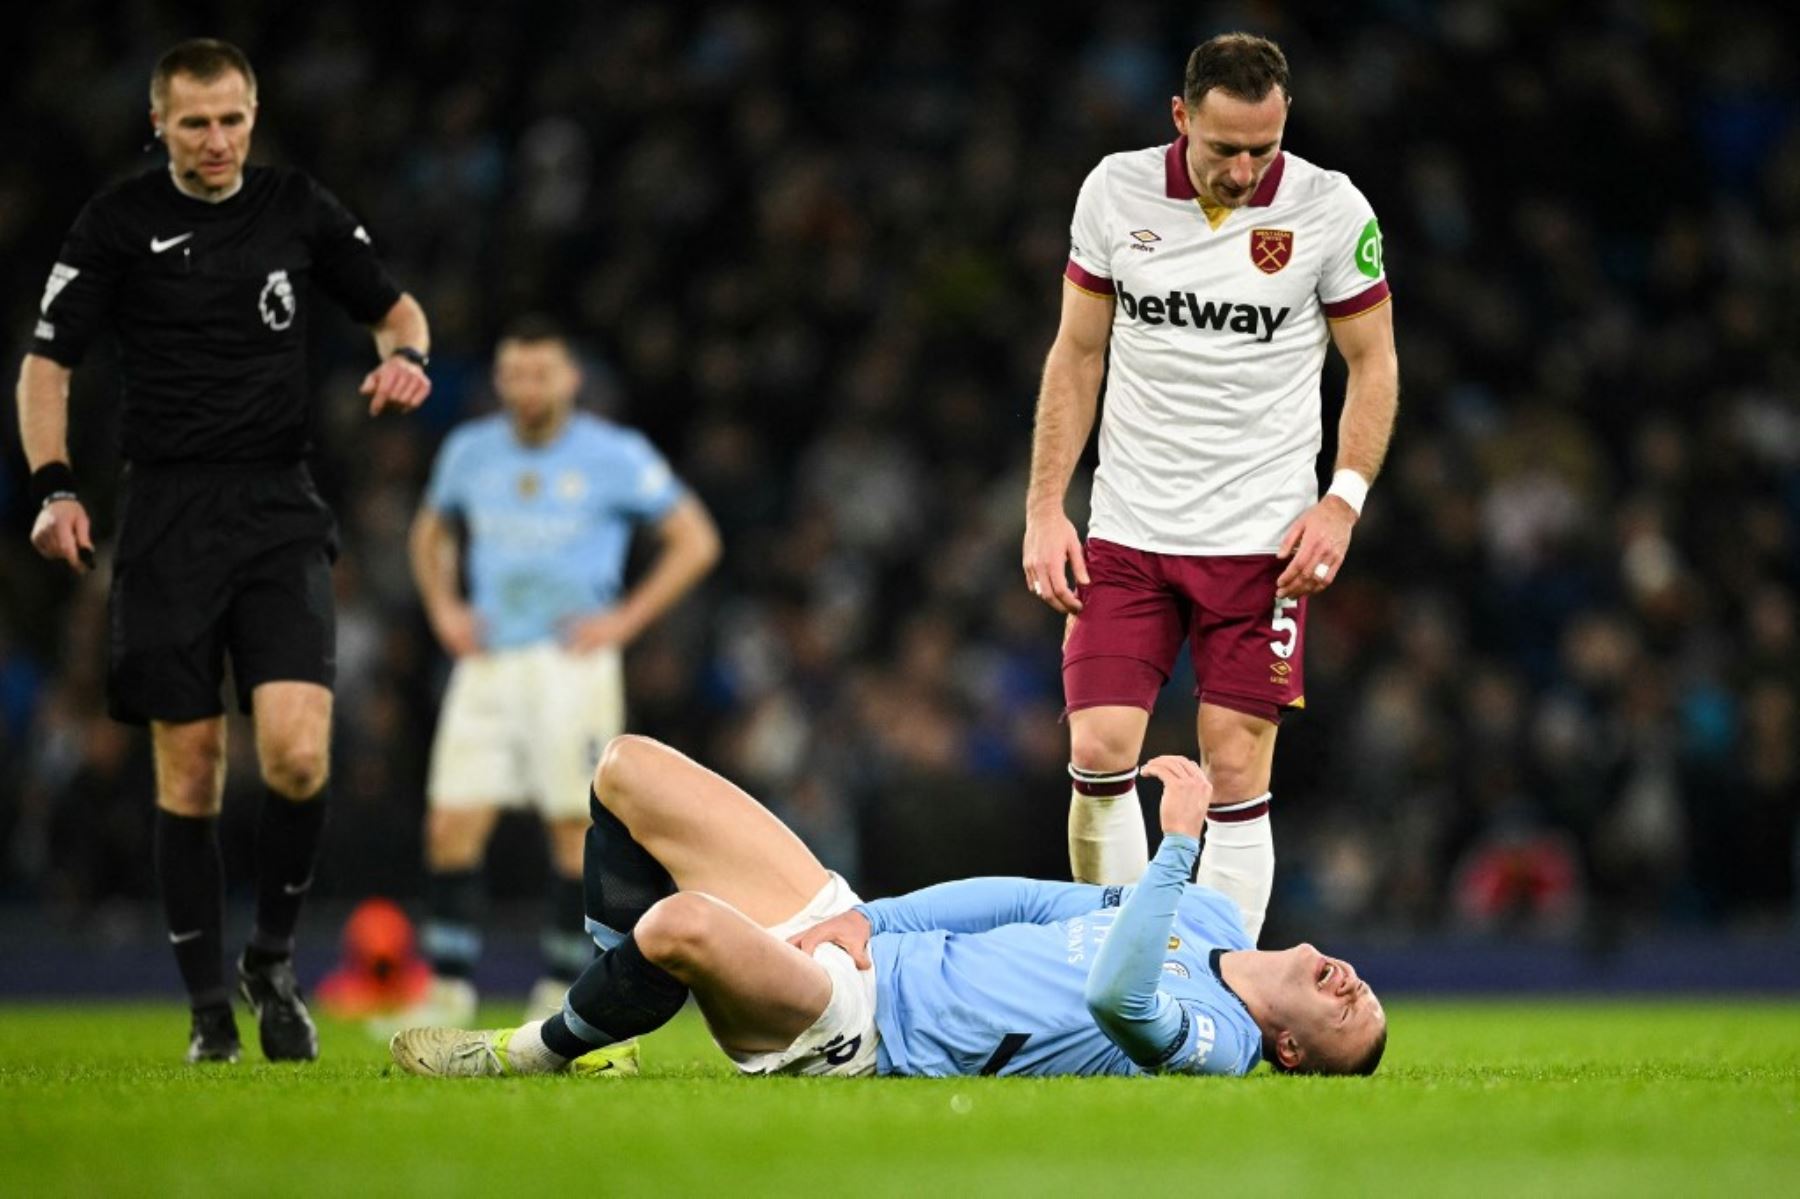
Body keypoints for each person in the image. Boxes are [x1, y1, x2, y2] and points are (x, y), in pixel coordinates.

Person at [17, 39, 432, 1063]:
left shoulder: (296, 207)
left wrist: (408, 359)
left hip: (278, 507)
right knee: (192, 766)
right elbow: (44, 367)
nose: (217, 140)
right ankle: (209, 1010)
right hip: (164, 517)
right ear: (157, 124)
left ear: (254, 116)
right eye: (195, 122)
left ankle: (273, 958)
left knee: (295, 751)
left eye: (233, 118)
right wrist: (53, 487)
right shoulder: (118, 224)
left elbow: (396, 308)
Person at [390, 736, 1387, 1080]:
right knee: (627, 771)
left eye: (1348, 1015)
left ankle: (529, 1051)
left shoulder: (1220, 1040)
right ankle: (609, 1039)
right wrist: (875, 920)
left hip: (858, 1023)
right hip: (866, 946)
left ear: (1291, 1049)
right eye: (1364, 989)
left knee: (680, 923)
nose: (1352, 983)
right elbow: (1029, 901)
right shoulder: (1215, 924)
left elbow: (1122, 992)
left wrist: (1176, 841)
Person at [1020, 34, 1401, 922]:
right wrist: (1045, 507)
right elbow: (1077, 353)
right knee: (1103, 743)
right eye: (1222, 147)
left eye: (1261, 150)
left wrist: (1341, 504)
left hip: (1262, 542)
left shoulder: (1331, 209)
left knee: (1235, 765)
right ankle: (1115, 978)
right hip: (1128, 531)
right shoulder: (1114, 191)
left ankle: (1218, 990)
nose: (1240, 170)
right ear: (1181, 116)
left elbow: (1373, 362)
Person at [402, 318, 720, 1026]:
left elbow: (695, 539)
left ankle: (556, 983)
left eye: (539, 374)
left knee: (570, 825)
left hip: (571, 663)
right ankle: (449, 987)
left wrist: (625, 622)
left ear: (571, 379)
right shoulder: (470, 451)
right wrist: (444, 608)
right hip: (488, 662)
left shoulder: (614, 455)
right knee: (451, 823)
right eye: (513, 374)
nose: (525, 388)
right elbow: (429, 532)